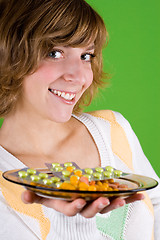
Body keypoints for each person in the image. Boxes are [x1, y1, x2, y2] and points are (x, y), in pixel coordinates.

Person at [0, 0, 159, 239]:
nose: (78, 75)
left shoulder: (113, 131)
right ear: (9, 56)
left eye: (86, 55)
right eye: (54, 53)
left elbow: (155, 206)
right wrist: (75, 220)